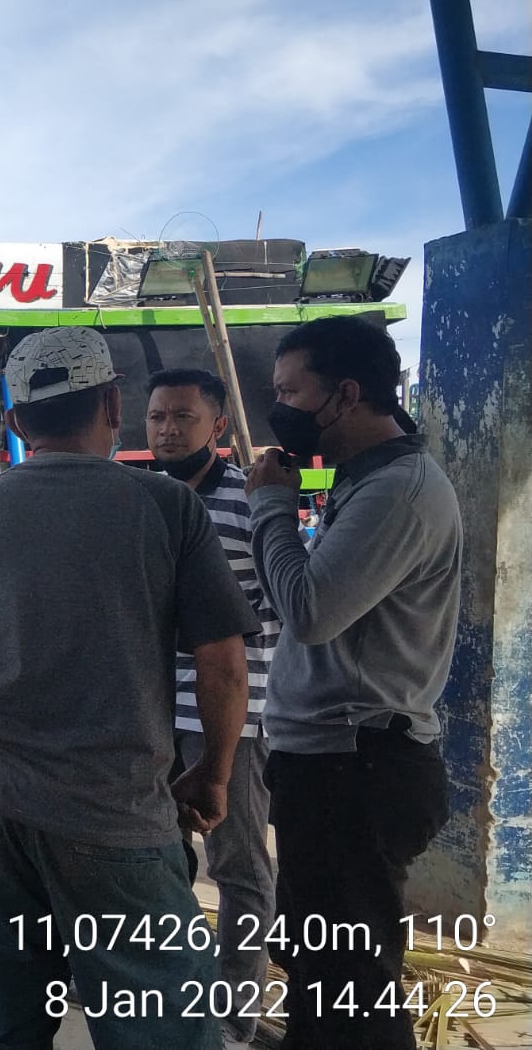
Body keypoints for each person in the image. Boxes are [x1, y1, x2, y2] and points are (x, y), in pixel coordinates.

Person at [0, 327, 257, 1050]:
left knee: (6, 1026)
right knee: (164, 1033)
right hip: (117, 815)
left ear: (16, 423)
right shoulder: (167, 506)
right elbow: (224, 664)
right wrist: (215, 772)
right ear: (113, 405)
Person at [245, 315, 461, 1050]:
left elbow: (309, 611)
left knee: (351, 984)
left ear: (345, 394)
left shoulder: (396, 492)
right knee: (320, 964)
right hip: (332, 762)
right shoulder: (362, 482)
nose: (279, 408)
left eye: (289, 392)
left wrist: (271, 506)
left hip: (358, 766)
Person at [146, 367, 281, 1046]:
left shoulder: (249, 502)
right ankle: (162, 981)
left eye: (183, 417)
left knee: (239, 865)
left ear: (218, 425)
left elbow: (284, 605)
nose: (167, 431)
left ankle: (234, 1008)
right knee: (155, 853)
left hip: (231, 715)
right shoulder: (141, 498)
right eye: (157, 417)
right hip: (152, 710)